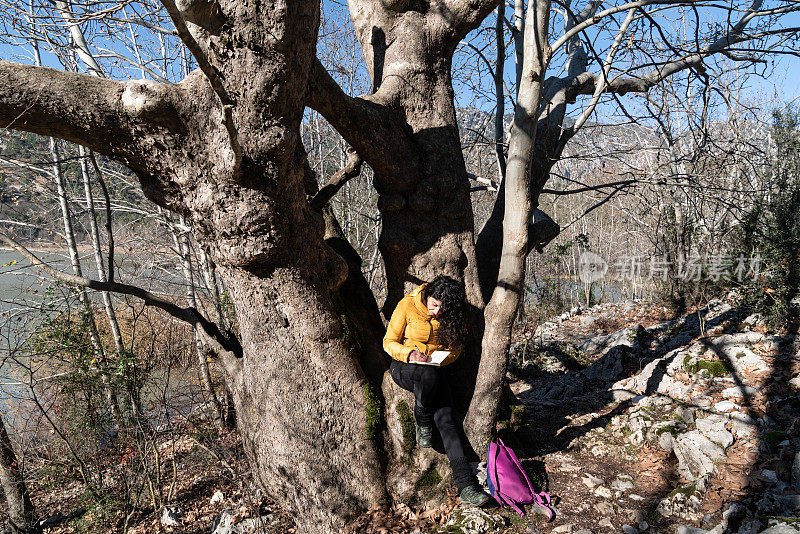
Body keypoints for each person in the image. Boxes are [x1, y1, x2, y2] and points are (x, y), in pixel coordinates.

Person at [383, 275, 492, 506]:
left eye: (442, 308)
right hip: (405, 367)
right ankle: (422, 418)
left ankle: (466, 485)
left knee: (448, 421)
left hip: (434, 369)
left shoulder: (450, 314)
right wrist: (410, 354)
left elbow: (455, 350)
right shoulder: (407, 305)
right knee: (428, 375)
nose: (436, 311)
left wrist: (438, 359)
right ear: (427, 295)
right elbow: (388, 341)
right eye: (434, 305)